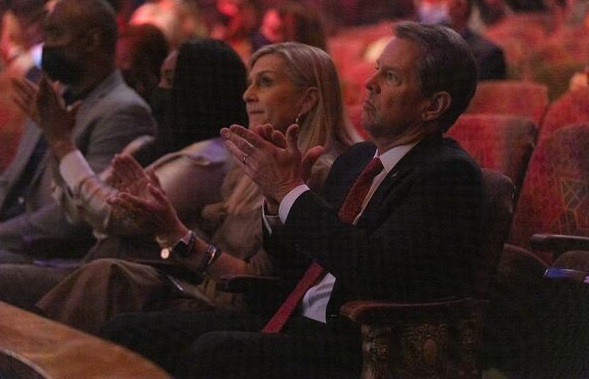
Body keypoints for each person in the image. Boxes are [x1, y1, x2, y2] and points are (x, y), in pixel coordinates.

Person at [97, 22, 486, 378]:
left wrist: (290, 192)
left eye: (391, 77)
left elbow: (373, 269)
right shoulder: (356, 161)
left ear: (432, 106)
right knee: (126, 331)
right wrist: (273, 200)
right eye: (377, 70)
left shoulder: (447, 174)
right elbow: (295, 267)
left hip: (355, 342)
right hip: (292, 318)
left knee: (214, 353)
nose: (370, 84)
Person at [31, 42, 360, 334]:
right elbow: (200, 243)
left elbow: (264, 282)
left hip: (236, 311)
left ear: (307, 100)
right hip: (198, 288)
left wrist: (172, 230)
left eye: (265, 82)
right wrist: (162, 220)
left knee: (105, 279)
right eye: (249, 83)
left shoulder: (315, 176)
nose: (247, 95)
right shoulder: (243, 172)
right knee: (102, 272)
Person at [0, 38, 248, 312]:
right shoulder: (149, 144)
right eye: (160, 77)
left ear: (201, 87)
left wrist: (62, 142)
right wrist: (57, 143)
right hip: (93, 263)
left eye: (171, 79)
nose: (159, 89)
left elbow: (109, 215)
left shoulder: (207, 158)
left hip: (129, 281)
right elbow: (80, 206)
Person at [0, 0, 156, 264]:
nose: (46, 45)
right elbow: (10, 179)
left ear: (91, 41)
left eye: (55, 34)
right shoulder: (52, 96)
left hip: (55, 255)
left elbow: (78, 216)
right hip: (11, 238)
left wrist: (0, 234)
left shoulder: (123, 110)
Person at [417, 0, 507, 80]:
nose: (426, 8)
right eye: (422, 1)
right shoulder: (414, 51)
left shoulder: (486, 55)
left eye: (434, 1)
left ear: (460, 5)